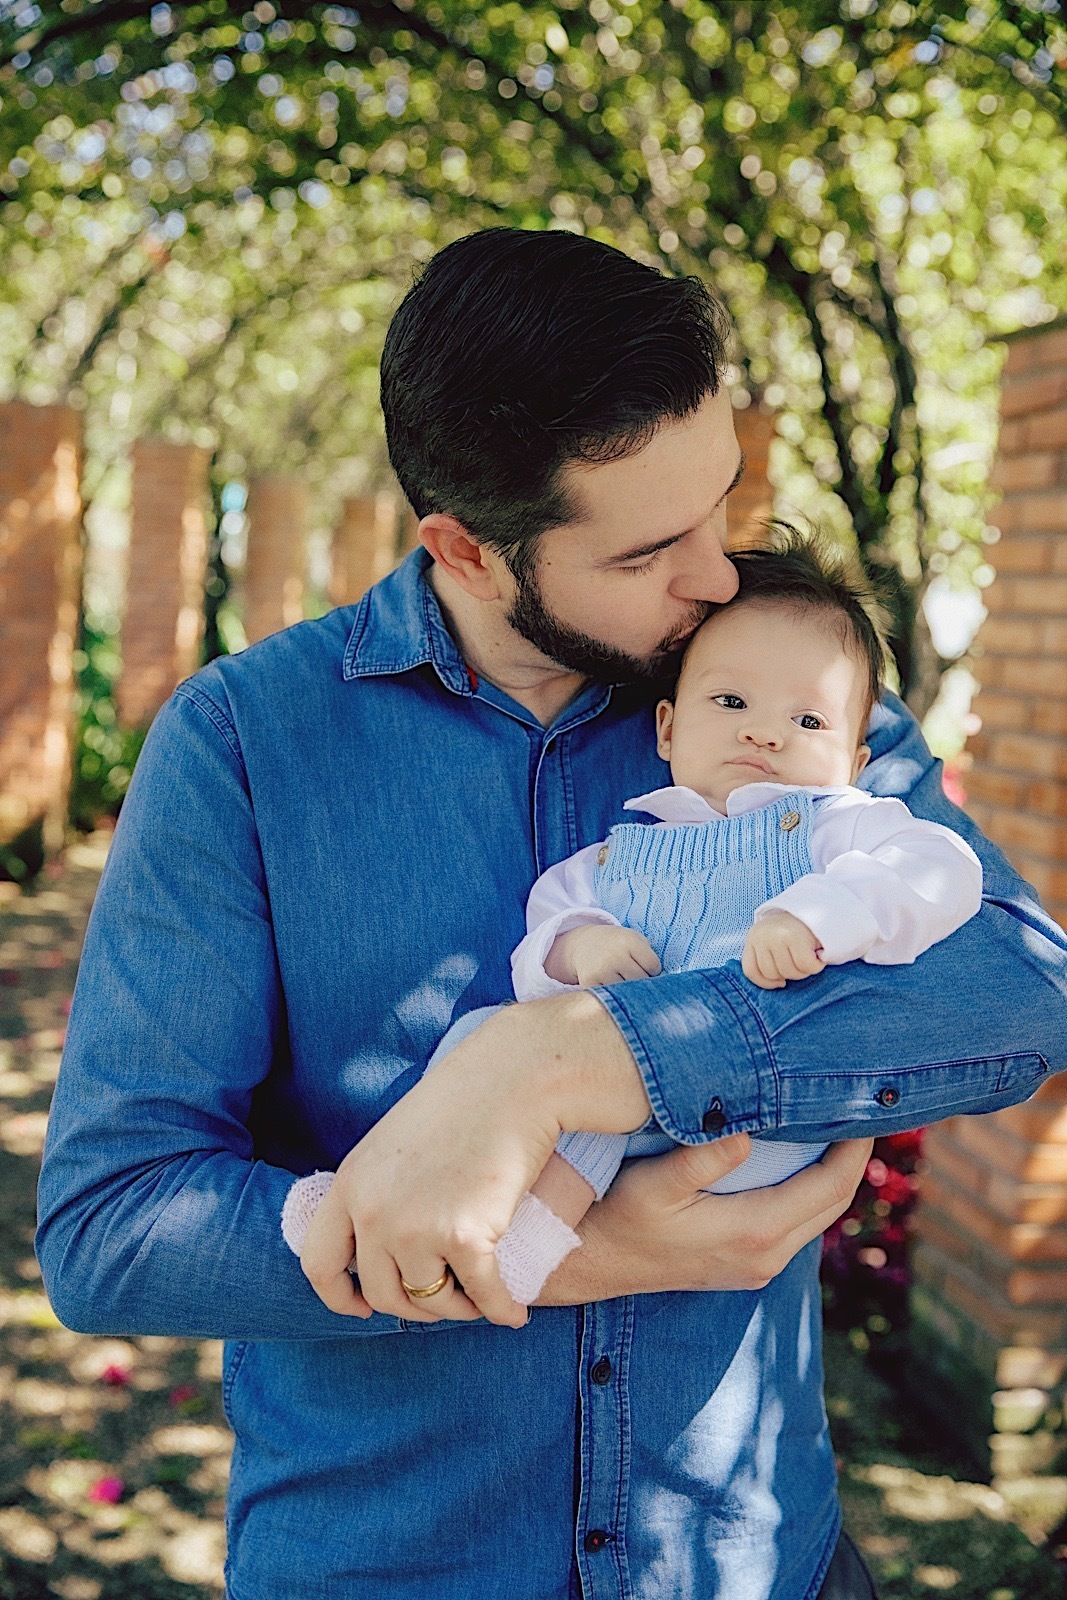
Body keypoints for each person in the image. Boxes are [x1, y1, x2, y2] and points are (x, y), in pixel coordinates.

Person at [36, 229, 1065, 1600]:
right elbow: (113, 1228)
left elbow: (1017, 977)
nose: (713, 577)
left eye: (723, 508)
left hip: (756, 1564)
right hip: (390, 1570)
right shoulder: (241, 742)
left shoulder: (773, 695)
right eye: (651, 548)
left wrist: (574, 1056)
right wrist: (567, 1256)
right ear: (464, 547)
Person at [280, 533, 984, 1307]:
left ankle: (514, 1247)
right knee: (483, 1040)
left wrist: (824, 912)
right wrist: (583, 948)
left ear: (853, 763)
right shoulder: (627, 850)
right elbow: (546, 927)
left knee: (582, 1090)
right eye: (729, 702)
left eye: (808, 721)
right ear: (668, 730)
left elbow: (941, 867)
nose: (763, 732)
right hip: (634, 1112)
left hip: (745, 1128)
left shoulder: (830, 826)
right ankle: (382, 1185)